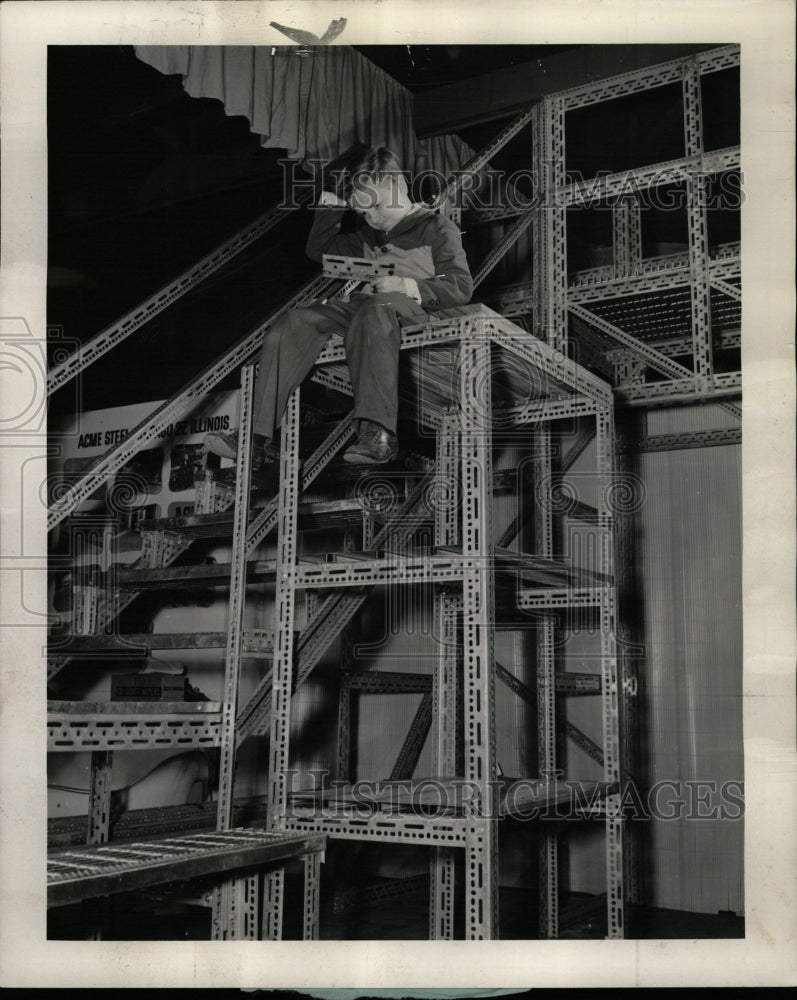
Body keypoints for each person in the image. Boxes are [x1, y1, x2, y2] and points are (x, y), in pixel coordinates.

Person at [204, 147, 473, 467]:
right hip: (367, 310)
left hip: (413, 309)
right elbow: (320, 250)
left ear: (398, 185)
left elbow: (460, 287)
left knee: (375, 306)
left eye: (375, 205)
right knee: (296, 320)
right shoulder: (368, 237)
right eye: (363, 213)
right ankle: (257, 436)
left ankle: (378, 431)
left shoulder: (437, 228)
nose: (372, 217)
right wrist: (333, 198)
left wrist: (407, 286)